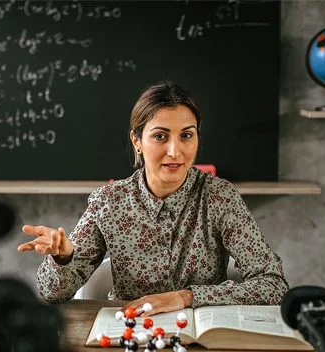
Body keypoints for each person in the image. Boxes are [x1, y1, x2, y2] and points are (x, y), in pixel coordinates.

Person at [17, 81, 288, 317]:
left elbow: (274, 285)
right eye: (160, 136)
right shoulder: (109, 202)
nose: (175, 151)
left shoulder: (219, 196)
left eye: (186, 135)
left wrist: (185, 297)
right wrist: (63, 258)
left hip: (201, 340)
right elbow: (51, 294)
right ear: (137, 140)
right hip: (130, 334)